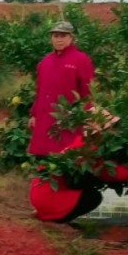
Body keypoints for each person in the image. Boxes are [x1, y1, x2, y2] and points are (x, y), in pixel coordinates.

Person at [28, 20, 95, 156]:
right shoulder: (45, 62)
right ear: (51, 38)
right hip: (45, 114)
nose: (59, 40)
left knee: (67, 152)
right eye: (56, 36)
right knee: (44, 150)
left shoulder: (81, 60)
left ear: (71, 37)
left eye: (63, 36)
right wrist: (34, 114)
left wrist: (87, 114)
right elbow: (40, 90)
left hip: (68, 116)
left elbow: (88, 90)